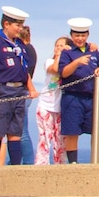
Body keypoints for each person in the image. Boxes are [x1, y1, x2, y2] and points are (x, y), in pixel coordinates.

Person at [0, 6, 39, 165]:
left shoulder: (19, 45)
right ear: (6, 24)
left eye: (21, 25)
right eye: (17, 25)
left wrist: (31, 88)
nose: (20, 29)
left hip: (19, 91)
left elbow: (24, 69)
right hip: (2, 90)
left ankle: (15, 168)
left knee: (16, 132)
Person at [59, 17, 99, 164]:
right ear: (72, 35)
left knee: (97, 130)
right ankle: (73, 163)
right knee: (72, 132)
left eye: (83, 35)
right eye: (77, 35)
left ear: (88, 35)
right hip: (72, 97)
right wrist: (76, 62)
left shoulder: (94, 51)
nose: (80, 38)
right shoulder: (67, 52)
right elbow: (64, 72)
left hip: (91, 97)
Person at [35, 36, 70, 165]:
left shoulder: (69, 65)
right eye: (57, 46)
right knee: (44, 138)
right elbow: (55, 69)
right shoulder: (49, 61)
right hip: (45, 105)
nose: (58, 48)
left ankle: (60, 165)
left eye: (62, 46)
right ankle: (41, 164)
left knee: (60, 140)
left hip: (60, 107)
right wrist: (60, 55)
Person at [18, 24, 37, 165]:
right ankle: (23, 160)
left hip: (22, 91)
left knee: (22, 131)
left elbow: (25, 73)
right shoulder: (31, 50)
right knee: (20, 131)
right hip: (25, 91)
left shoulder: (25, 50)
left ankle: (28, 161)